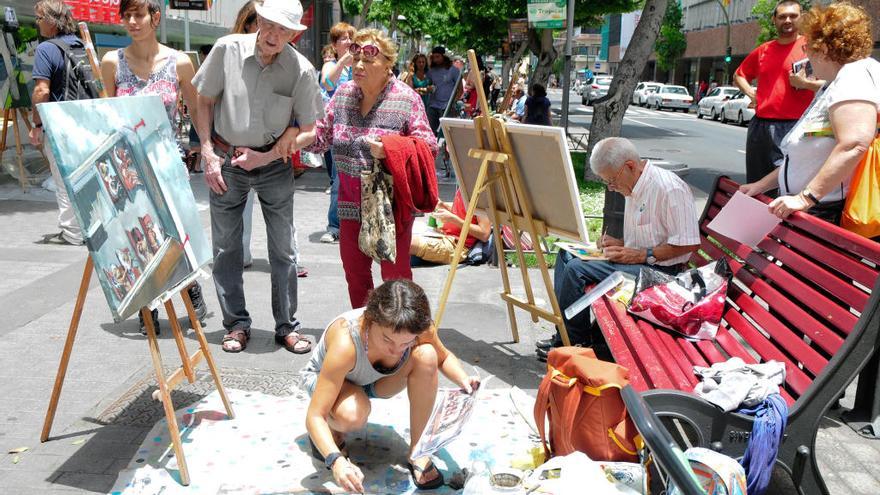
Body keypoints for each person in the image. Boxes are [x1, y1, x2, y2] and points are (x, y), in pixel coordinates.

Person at [192, 0, 323, 354]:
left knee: (284, 249)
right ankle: (236, 325)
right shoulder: (226, 49)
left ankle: (287, 326)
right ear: (258, 20)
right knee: (225, 249)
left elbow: (309, 130)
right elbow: (202, 100)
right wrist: (207, 152)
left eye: (284, 29)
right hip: (226, 159)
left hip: (274, 166)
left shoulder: (301, 69)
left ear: (294, 33)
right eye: (269, 24)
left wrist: (269, 153)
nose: (274, 35)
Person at [301, 279, 479, 492]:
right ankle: (332, 432)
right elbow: (314, 416)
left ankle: (418, 451)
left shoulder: (418, 327)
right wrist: (335, 460)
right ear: (370, 320)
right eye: (387, 340)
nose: (396, 351)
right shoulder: (346, 341)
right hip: (330, 381)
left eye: (406, 343)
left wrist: (463, 380)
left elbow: (443, 358)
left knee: (427, 355)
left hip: (375, 381)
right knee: (352, 413)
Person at [305, 28, 438, 308]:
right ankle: (366, 331)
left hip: (390, 205)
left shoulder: (406, 99)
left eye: (369, 58)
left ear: (388, 64)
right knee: (355, 275)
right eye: (356, 57)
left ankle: (399, 335)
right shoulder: (342, 95)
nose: (360, 65)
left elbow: (428, 146)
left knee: (395, 279)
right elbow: (320, 138)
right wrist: (291, 137)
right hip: (351, 204)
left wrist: (390, 148)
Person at [536, 137, 700, 360]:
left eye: (611, 181)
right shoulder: (634, 185)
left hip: (664, 274)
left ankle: (576, 344)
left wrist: (641, 254)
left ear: (630, 166)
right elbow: (653, 236)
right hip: (643, 262)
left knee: (577, 270)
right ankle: (564, 336)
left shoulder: (669, 188)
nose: (611, 188)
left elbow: (689, 243)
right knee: (566, 255)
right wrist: (621, 244)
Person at [100, 0, 208, 336]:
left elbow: (196, 107)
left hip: (167, 161)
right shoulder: (111, 62)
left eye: (138, 14)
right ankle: (150, 309)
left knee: (176, 232)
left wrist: (206, 146)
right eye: (126, 15)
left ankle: (190, 287)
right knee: (141, 237)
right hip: (128, 166)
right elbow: (106, 112)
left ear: (155, 18)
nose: (132, 21)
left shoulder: (179, 62)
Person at [739, 2, 879, 226]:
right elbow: (802, 157)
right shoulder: (833, 83)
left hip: (823, 208)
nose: (805, 54)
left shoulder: (855, 75)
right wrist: (761, 185)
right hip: (812, 206)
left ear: (823, 49)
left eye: (807, 47)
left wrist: (805, 198)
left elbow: (853, 144)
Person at [733, 0, 825, 191]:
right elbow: (739, 75)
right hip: (760, 126)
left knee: (787, 186)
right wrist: (752, 93)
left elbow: (832, 84)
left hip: (795, 125)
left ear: (802, 18)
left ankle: (782, 222)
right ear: (774, 20)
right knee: (756, 185)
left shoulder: (813, 47)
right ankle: (756, 221)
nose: (788, 20)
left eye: (793, 15)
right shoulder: (764, 50)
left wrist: (805, 84)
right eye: (782, 16)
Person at [29, 0, 87, 246]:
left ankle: (72, 232)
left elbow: (42, 90)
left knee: (63, 179)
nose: (38, 23)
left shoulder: (46, 49)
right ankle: (88, 227)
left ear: (51, 21)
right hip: (87, 122)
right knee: (84, 177)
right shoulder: (82, 44)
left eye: (40, 18)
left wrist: (37, 124)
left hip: (60, 125)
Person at [317, 22, 356, 245]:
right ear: (334, 44)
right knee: (338, 180)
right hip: (338, 129)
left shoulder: (361, 64)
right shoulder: (331, 65)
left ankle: (357, 225)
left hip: (361, 128)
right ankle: (334, 226)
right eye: (343, 38)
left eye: (351, 37)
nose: (349, 42)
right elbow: (327, 83)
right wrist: (343, 61)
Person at [410, 191, 491, 265]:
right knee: (404, 234)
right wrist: (444, 206)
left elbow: (484, 234)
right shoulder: (464, 186)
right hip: (443, 235)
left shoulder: (481, 194)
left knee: (406, 243)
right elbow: (462, 214)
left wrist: (453, 219)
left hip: (458, 246)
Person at [426, 46, 460, 135]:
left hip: (447, 106)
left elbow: (460, 89)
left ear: (443, 56)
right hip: (433, 105)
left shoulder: (453, 70)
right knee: (431, 131)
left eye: (438, 57)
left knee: (447, 133)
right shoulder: (431, 71)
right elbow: (428, 85)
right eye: (433, 57)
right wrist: (429, 88)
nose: (435, 59)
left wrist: (454, 102)